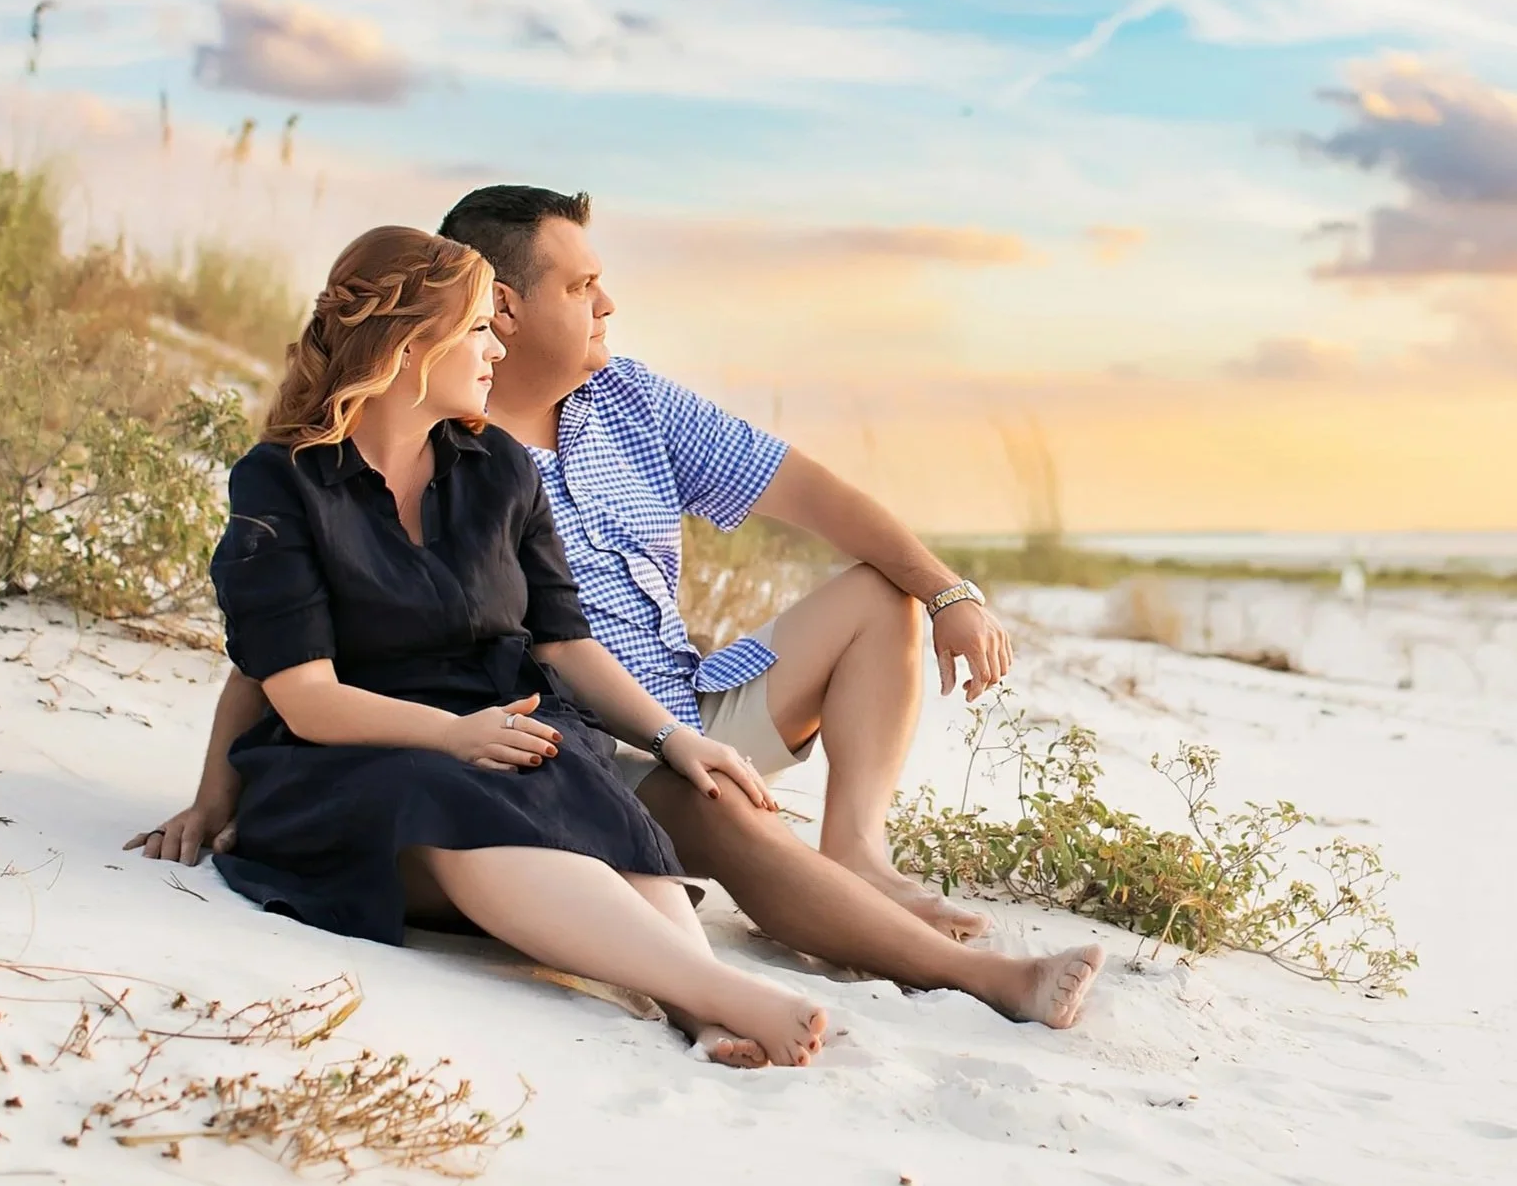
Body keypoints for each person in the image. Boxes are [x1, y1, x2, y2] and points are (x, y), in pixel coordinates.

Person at [130, 192, 1105, 1033]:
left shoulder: (556, 432)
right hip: (495, 734)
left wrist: (946, 590)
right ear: (462, 322)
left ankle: (813, 893)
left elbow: (605, 615)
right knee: (624, 806)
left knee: (837, 623)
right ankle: (914, 984)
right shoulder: (333, 469)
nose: (602, 303)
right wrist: (218, 789)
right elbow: (285, 652)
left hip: (621, 711)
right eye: (573, 286)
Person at [178, 224, 828, 1069]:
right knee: (452, 784)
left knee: (577, 778)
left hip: (499, 723)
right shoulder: (283, 478)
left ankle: (699, 1003)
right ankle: (727, 993)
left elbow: (563, 643)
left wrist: (677, 738)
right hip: (347, 756)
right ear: (414, 344)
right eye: (480, 327)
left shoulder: (501, 468)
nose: (497, 345)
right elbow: (296, 688)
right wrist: (447, 735)